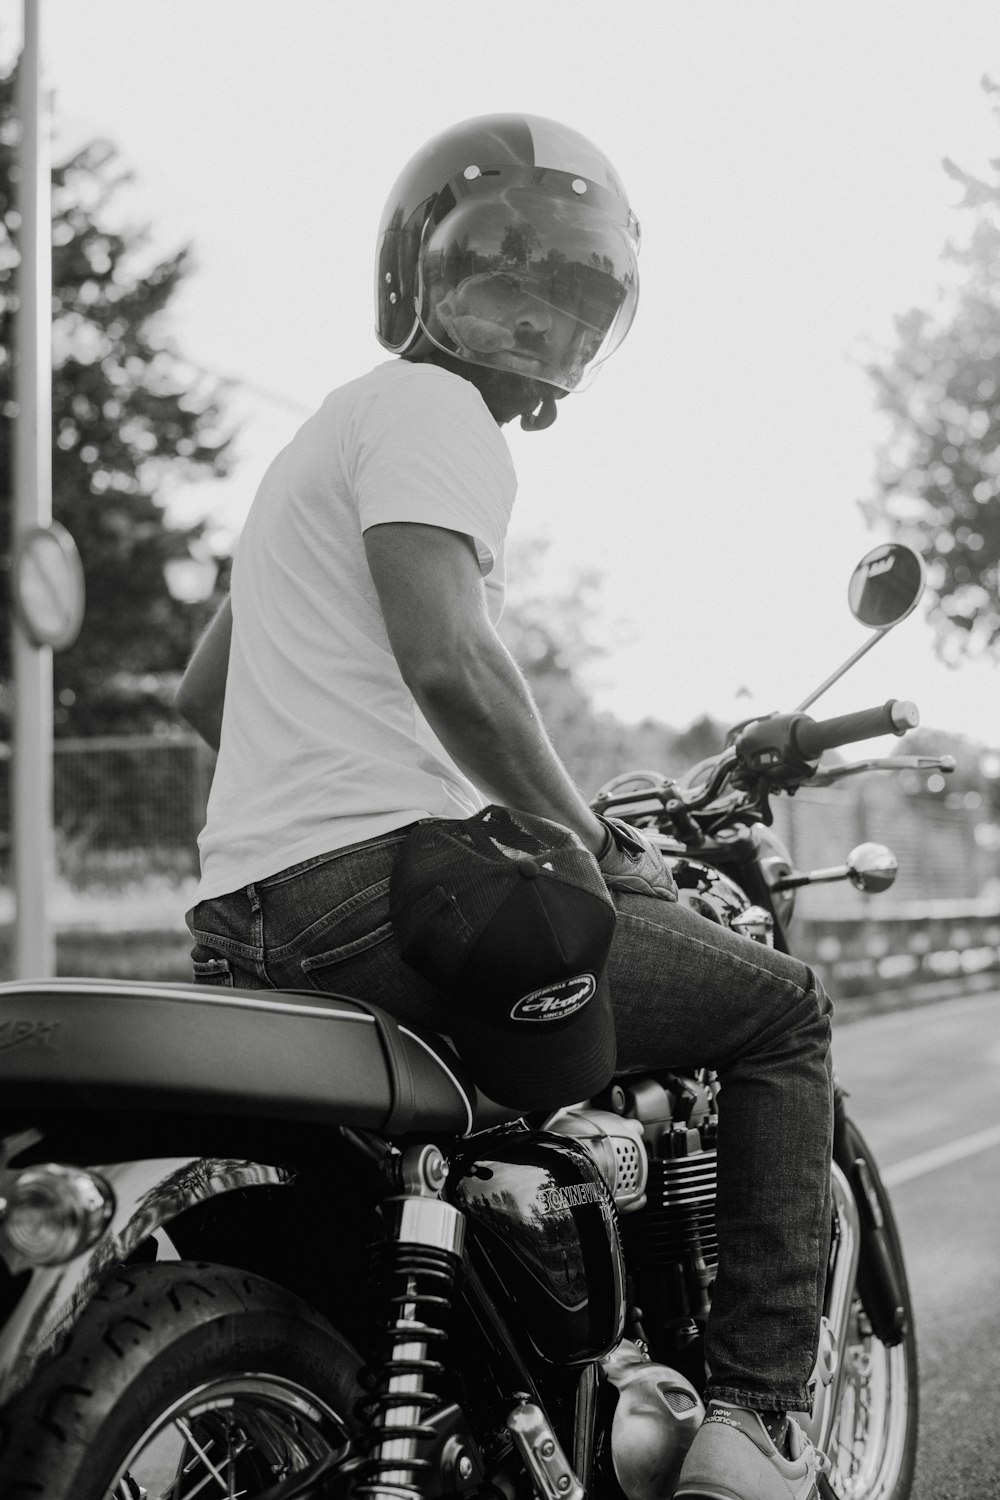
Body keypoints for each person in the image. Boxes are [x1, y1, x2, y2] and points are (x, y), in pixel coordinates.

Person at [177, 113, 833, 1500]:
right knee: (782, 1009)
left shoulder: (321, 439)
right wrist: (581, 836)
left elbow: (203, 693)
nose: (532, 333)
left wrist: (344, 781)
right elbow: (451, 657)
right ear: (415, 288)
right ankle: (756, 1418)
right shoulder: (434, 411)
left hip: (246, 915)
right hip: (377, 897)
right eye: (499, 291)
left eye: (568, 305)